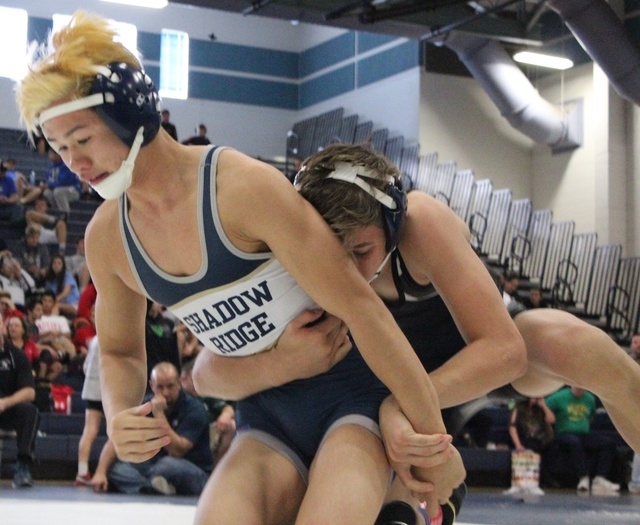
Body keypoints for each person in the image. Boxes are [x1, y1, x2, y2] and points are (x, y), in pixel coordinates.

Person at [16, 12, 461, 525]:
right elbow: (117, 349)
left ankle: (398, 504)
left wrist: (435, 444)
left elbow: (365, 311)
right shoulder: (108, 238)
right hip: (265, 413)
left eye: (82, 139)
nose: (73, 161)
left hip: (354, 396)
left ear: (129, 113)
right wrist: (118, 414)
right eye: (60, 147)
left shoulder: (240, 188)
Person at [196, 143, 640, 523]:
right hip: (379, 391)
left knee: (576, 347)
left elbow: (505, 351)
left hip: (466, 359)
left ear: (390, 227)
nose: (348, 270)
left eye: (363, 251)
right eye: (334, 252)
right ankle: (416, 502)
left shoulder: (421, 224)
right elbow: (205, 371)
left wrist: (401, 402)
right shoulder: (289, 247)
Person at [92, 362, 213, 496]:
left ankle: (146, 485)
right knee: (115, 468)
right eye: (160, 387)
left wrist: (159, 414)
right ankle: (152, 487)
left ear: (179, 384)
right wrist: (100, 472)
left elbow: (177, 451)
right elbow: (117, 438)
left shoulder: (195, 409)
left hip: (191, 469)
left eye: (170, 386)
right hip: (154, 465)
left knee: (167, 465)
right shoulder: (145, 406)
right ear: (152, 386)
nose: (165, 392)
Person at [545, 386, 620, 495]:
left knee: (608, 443)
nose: (578, 389)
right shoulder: (559, 396)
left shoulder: (590, 398)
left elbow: (591, 416)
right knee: (574, 442)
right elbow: (544, 408)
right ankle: (583, 477)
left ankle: (600, 478)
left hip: (583, 433)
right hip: (564, 432)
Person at [0, 310, 39, 488]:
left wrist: (6, 402)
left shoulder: (16, 355)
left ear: (3, 327)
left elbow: (29, 392)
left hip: (8, 410)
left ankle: (23, 466)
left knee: (30, 411)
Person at [180, 356, 235, 465]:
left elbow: (228, 408)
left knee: (231, 425)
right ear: (183, 379)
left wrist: (224, 416)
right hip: (188, 435)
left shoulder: (204, 393)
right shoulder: (179, 397)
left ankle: (217, 467)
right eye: (194, 379)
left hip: (210, 432)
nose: (198, 382)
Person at [74, 335, 103, 486]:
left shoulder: (94, 340)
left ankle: (82, 472)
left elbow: (86, 367)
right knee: (116, 430)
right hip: (110, 387)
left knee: (89, 430)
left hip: (92, 388)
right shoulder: (115, 335)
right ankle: (103, 471)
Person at [40, 148, 82, 213]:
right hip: (56, 189)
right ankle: (58, 212)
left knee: (58, 192)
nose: (49, 155)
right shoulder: (51, 167)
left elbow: (64, 182)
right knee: (47, 193)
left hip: (72, 189)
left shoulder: (67, 165)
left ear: (58, 154)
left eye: (51, 153)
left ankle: (65, 215)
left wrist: (49, 185)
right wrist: (44, 184)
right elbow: (48, 179)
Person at [44, 253, 80, 318]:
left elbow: (65, 293)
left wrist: (53, 300)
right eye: (54, 263)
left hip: (74, 305)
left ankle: (52, 324)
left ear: (63, 265)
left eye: (59, 263)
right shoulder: (50, 280)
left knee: (56, 305)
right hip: (57, 303)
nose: (56, 265)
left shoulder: (68, 276)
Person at [0, 161, 26, 229]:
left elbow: (14, 196)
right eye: (1, 171)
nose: (3, 173)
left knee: (18, 207)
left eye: (4, 171)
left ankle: (13, 229)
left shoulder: (8, 180)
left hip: (4, 206)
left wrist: (7, 200)